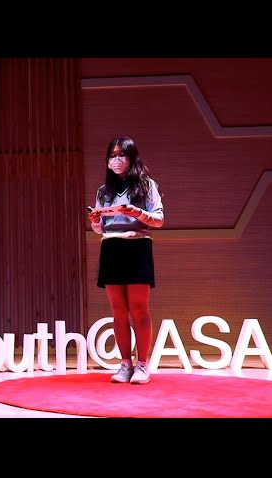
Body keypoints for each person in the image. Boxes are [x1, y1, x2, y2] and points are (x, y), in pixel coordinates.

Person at [88, 137, 164, 384]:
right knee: (118, 311)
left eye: (121, 155)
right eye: (112, 155)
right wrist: (95, 221)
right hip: (111, 248)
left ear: (132, 158)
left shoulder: (146, 185)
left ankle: (143, 365)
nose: (116, 160)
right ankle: (125, 364)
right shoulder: (104, 191)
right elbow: (101, 228)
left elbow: (159, 220)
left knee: (139, 309)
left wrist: (138, 213)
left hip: (137, 247)